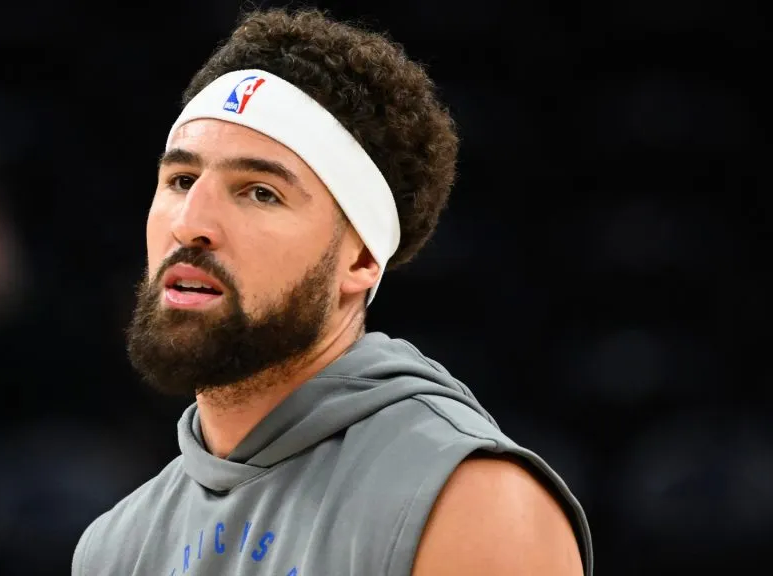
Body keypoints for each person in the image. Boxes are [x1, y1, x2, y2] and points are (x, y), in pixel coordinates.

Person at [73, 7, 593, 576]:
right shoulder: (114, 548)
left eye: (260, 193)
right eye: (181, 180)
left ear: (363, 259)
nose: (191, 222)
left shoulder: (472, 502)